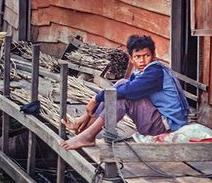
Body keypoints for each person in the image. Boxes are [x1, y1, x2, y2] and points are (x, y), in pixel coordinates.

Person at [59, 35, 189, 150]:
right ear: (131, 59)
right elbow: (125, 87)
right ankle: (85, 129)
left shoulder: (155, 72)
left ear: (154, 56)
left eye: (146, 56)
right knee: (122, 83)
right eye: (137, 57)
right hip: (159, 121)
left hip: (167, 128)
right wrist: (87, 114)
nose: (142, 61)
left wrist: (95, 99)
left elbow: (128, 92)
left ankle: (88, 136)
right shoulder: (144, 71)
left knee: (123, 97)